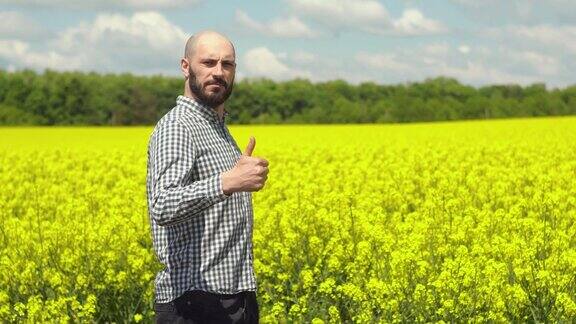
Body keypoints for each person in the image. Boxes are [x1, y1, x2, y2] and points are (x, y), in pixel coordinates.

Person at [146, 30, 269, 323]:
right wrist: (227, 182)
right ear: (186, 67)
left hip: (232, 296)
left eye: (227, 65)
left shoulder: (217, 128)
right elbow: (162, 204)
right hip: (195, 303)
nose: (218, 72)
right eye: (209, 62)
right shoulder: (178, 126)